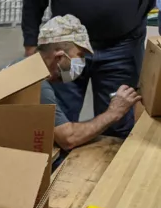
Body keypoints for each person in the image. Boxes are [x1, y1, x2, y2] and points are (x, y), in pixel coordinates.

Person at [23, 0, 154, 139]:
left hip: (122, 44)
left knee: (117, 127)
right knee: (59, 123)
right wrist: (30, 42)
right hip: (68, 42)